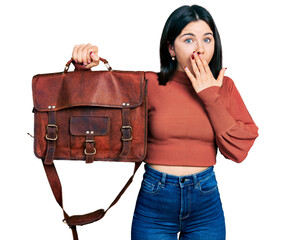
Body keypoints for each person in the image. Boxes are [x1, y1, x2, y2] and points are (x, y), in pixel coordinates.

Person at [71, 4, 259, 240]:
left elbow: (239, 150)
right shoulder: (148, 83)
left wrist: (210, 96)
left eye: (207, 40)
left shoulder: (225, 86)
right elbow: (93, 110)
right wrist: (82, 71)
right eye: (189, 40)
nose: (200, 49)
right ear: (171, 47)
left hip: (205, 201)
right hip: (155, 201)